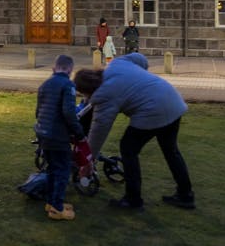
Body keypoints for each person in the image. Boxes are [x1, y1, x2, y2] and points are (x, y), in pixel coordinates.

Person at [86, 53, 195, 211]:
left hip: (151, 111)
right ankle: (186, 195)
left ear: (90, 90)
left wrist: (89, 159)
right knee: (171, 151)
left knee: (128, 149)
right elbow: (140, 59)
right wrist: (140, 79)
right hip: (172, 100)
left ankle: (133, 200)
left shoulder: (104, 94)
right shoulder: (117, 63)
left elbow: (99, 130)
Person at [35, 54, 83, 221]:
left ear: (54, 68)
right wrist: (79, 132)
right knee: (63, 170)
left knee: (52, 169)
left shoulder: (44, 84)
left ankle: (51, 202)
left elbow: (38, 111)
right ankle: (57, 208)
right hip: (58, 135)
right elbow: (69, 112)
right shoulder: (68, 85)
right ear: (70, 70)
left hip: (43, 133)